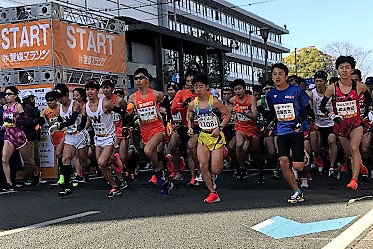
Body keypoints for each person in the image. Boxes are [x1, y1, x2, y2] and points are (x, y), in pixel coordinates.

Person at [320, 56, 371, 190]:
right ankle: (362, 167)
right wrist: (333, 116)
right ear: (337, 70)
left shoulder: (359, 86)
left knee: (355, 148)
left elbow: (369, 100)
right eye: (341, 67)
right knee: (349, 153)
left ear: (352, 69)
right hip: (341, 124)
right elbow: (322, 107)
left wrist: (367, 112)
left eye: (347, 67)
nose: (344, 71)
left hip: (356, 123)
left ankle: (354, 180)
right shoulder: (332, 88)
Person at [266, 63, 310, 203]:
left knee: (298, 166)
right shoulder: (271, 95)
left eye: (280, 73)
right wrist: (266, 124)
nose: (277, 76)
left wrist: (299, 121)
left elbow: (306, 109)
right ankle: (296, 191)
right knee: (284, 161)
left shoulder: (296, 91)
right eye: (274, 74)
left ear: (286, 76)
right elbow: (273, 113)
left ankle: (304, 155)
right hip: (282, 132)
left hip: (296, 130)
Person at [127, 68, 173, 196]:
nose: (138, 81)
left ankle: (159, 172)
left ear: (147, 79)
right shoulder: (132, 97)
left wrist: (168, 121)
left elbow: (168, 105)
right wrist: (130, 114)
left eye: (141, 78)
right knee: (149, 152)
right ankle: (166, 179)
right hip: (144, 130)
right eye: (136, 79)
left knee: (148, 150)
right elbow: (129, 116)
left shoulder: (156, 94)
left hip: (157, 128)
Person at [187, 72, 231, 203]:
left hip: (216, 137)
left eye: (201, 86)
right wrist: (190, 127)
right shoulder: (193, 104)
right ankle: (213, 192)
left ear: (207, 87)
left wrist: (220, 127)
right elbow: (190, 116)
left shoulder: (214, 101)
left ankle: (223, 152)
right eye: (195, 87)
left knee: (216, 169)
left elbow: (227, 115)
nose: (198, 90)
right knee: (202, 165)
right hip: (203, 136)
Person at [83, 79, 126, 197]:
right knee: (102, 164)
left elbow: (120, 111)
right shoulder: (85, 106)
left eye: (92, 89)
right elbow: (88, 120)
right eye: (87, 90)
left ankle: (115, 187)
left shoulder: (105, 103)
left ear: (97, 91)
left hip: (109, 137)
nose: (89, 92)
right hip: (98, 138)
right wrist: (82, 129)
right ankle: (114, 162)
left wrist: (126, 123)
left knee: (102, 163)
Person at [49, 84, 89, 196]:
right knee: (65, 158)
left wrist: (59, 125)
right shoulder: (60, 107)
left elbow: (71, 120)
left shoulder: (75, 104)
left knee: (83, 161)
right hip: (70, 135)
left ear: (67, 95)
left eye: (60, 97)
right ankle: (66, 186)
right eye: (57, 98)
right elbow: (62, 119)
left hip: (80, 135)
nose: (59, 100)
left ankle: (85, 171)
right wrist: (56, 124)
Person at [229, 79, 263, 183]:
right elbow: (228, 110)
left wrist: (243, 112)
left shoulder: (251, 99)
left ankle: (261, 170)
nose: (237, 91)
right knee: (239, 144)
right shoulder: (233, 100)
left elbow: (255, 117)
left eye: (239, 89)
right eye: (235, 89)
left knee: (256, 151)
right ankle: (241, 167)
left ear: (244, 89)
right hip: (240, 127)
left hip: (252, 127)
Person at [170, 70, 200, 186]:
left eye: (192, 81)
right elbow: (173, 111)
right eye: (187, 81)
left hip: (199, 126)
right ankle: (183, 172)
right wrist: (182, 105)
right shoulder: (181, 93)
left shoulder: (202, 93)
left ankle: (198, 173)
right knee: (173, 146)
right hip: (184, 126)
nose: (190, 84)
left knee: (190, 148)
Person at [309, 71, 338, 178]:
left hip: (332, 123)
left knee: (331, 141)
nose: (319, 83)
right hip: (318, 124)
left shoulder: (331, 92)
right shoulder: (312, 93)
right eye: (316, 81)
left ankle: (332, 166)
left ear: (325, 82)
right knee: (316, 147)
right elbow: (308, 105)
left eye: (321, 81)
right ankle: (320, 158)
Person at [101, 79, 128, 188]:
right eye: (103, 88)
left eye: (107, 87)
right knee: (110, 158)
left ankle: (124, 175)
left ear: (112, 89)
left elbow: (126, 114)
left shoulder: (119, 100)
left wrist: (126, 126)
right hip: (109, 133)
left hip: (120, 131)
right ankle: (120, 179)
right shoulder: (101, 102)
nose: (105, 90)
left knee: (121, 158)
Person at [1, 86, 28, 191]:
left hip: (19, 136)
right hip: (8, 136)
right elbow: (5, 122)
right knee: (4, 159)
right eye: (6, 94)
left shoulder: (18, 106)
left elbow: (24, 120)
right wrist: (4, 125)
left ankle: (36, 173)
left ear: (15, 96)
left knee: (28, 160)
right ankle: (9, 183)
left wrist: (15, 120)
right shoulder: (4, 107)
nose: (7, 96)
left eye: (9, 94)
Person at [20, 90, 45, 186]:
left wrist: (38, 122)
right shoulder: (25, 109)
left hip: (34, 135)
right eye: (31, 97)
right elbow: (29, 122)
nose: (33, 99)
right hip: (27, 136)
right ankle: (31, 176)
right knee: (29, 159)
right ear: (26, 99)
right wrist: (37, 121)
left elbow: (39, 122)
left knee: (36, 158)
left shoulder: (34, 108)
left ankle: (36, 176)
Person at [41, 91, 65, 184]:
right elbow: (41, 119)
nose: (49, 102)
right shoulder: (46, 110)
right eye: (47, 101)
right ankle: (67, 174)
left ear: (56, 100)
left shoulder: (60, 108)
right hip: (54, 135)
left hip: (64, 133)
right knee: (60, 156)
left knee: (60, 154)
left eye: (51, 100)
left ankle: (64, 176)